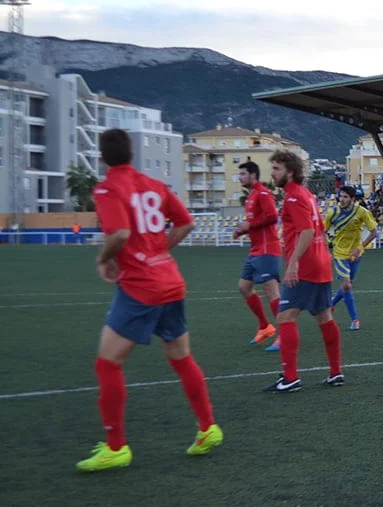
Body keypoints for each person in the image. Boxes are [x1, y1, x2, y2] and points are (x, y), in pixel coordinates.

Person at [77, 128, 221, 471]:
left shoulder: (107, 188)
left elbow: (120, 233)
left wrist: (103, 259)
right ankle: (208, 427)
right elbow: (185, 224)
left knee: (107, 364)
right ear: (132, 154)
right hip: (170, 282)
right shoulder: (154, 185)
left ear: (102, 158)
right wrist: (158, 251)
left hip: (141, 288)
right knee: (182, 358)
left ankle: (116, 448)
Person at [263, 150, 343, 393]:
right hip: (321, 262)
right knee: (324, 317)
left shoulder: (293, 197)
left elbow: (307, 230)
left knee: (285, 317)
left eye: (276, 169)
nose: (272, 173)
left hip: (306, 265)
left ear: (290, 172)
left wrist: (293, 263)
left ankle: (290, 378)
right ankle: (336, 373)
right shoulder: (306, 194)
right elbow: (317, 229)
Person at [233, 161, 282, 350]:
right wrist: (242, 231)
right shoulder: (251, 196)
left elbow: (272, 216)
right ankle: (265, 326)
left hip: (268, 249)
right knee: (244, 286)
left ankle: (284, 334)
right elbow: (255, 222)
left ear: (253, 175)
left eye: (243, 174)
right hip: (255, 250)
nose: (240, 177)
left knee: (271, 291)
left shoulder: (263, 193)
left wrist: (249, 225)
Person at [324, 185, 378, 331]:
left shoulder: (362, 212)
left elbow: (374, 232)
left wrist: (360, 248)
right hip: (340, 254)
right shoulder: (332, 213)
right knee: (347, 286)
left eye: (345, 197)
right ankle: (355, 319)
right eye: (340, 196)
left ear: (353, 199)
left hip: (356, 254)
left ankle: (331, 303)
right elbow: (322, 231)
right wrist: (326, 248)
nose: (341, 199)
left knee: (346, 286)